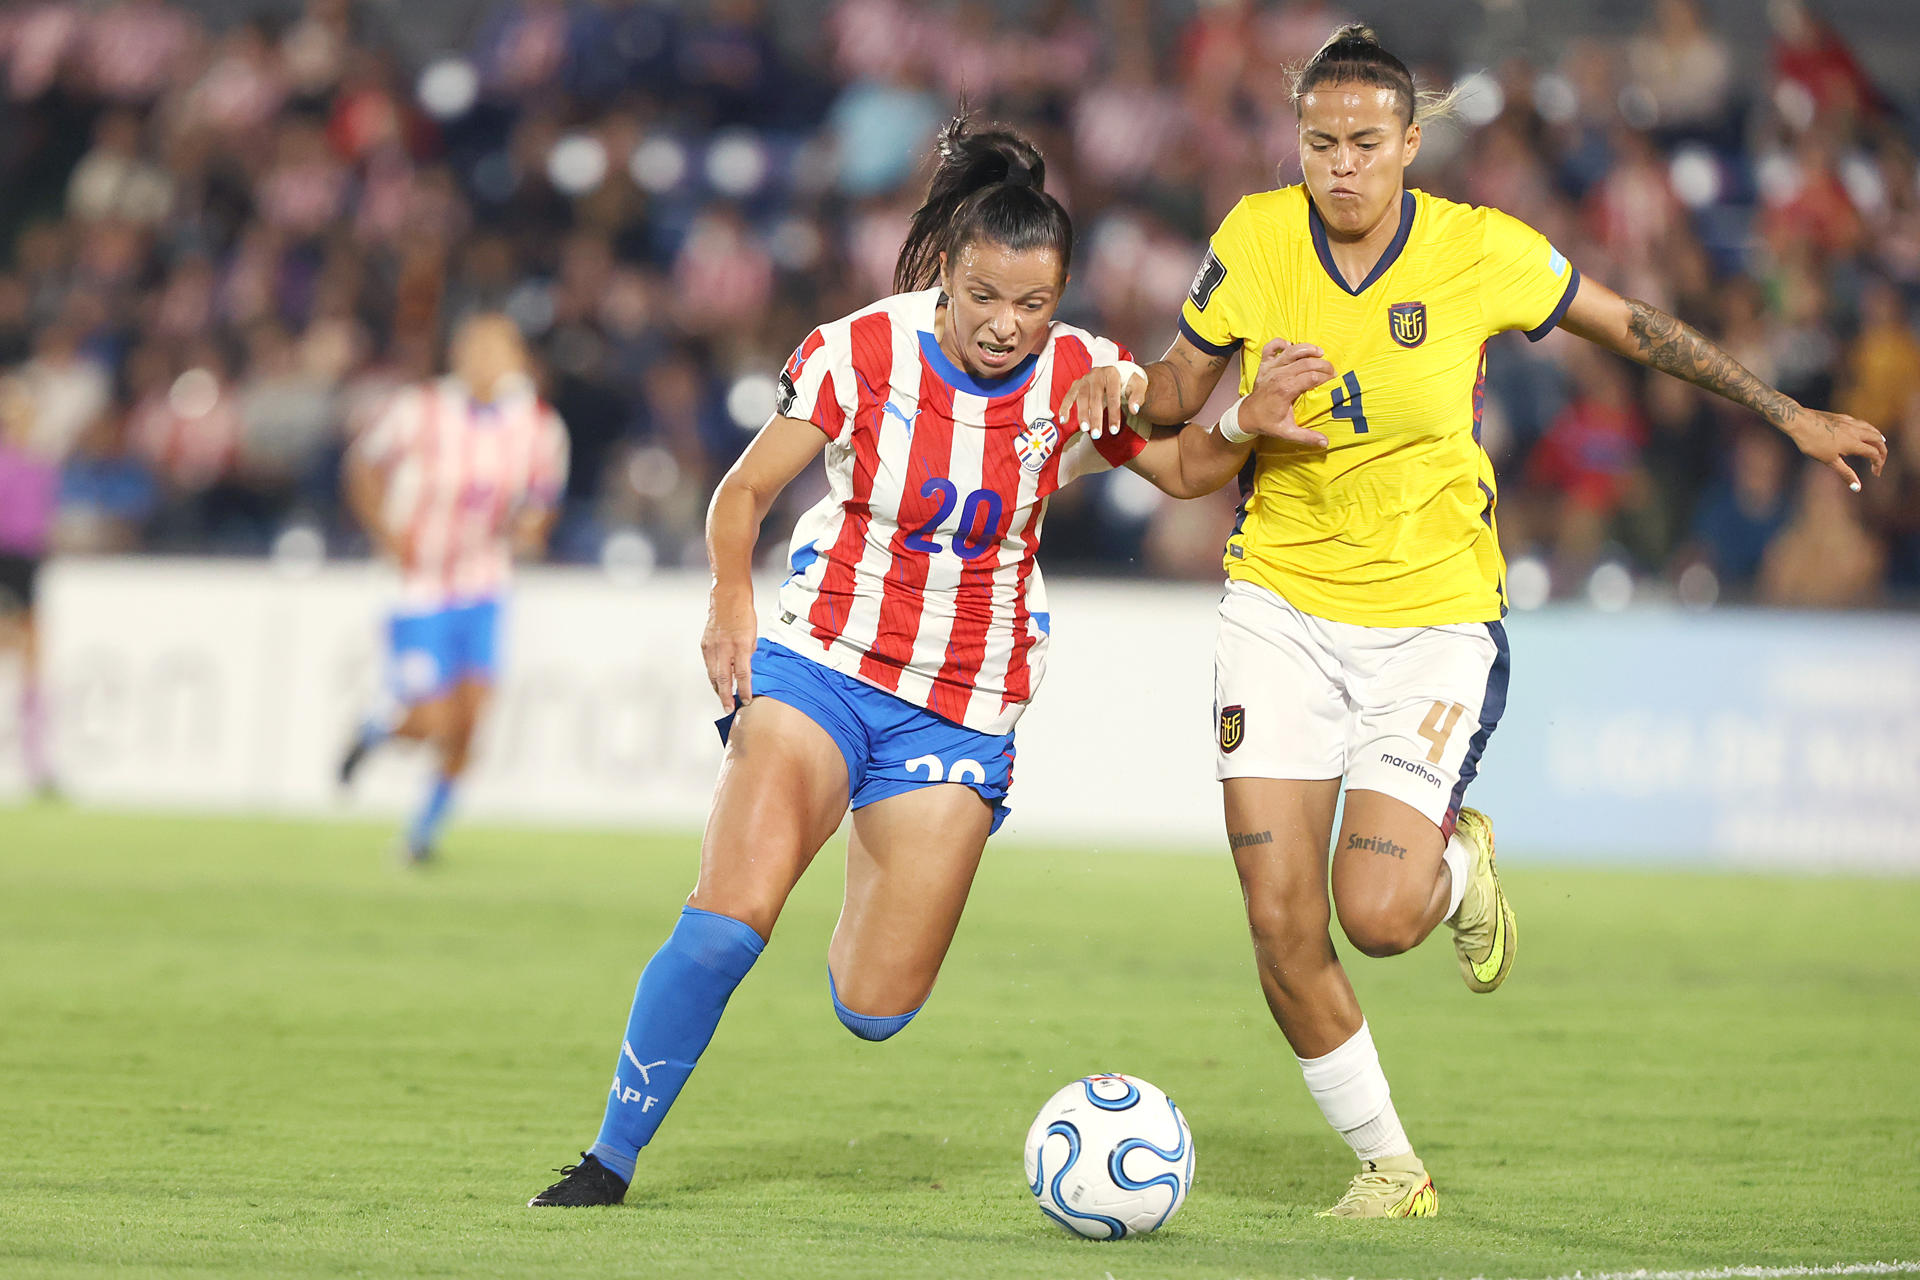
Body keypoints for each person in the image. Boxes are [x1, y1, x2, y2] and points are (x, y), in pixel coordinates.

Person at [1070, 25, 1888, 1219]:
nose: (1337, 165)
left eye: (1361, 143)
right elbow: (1177, 397)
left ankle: (1459, 864)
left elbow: (1632, 327)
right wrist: (1115, 381)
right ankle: (1392, 1166)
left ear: (1410, 142)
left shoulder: (1478, 251)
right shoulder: (1253, 237)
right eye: (1317, 142)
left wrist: (1784, 413)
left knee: (1381, 913)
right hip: (1278, 607)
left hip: (1435, 620)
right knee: (1280, 921)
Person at [527, 115, 1329, 1208]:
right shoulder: (861, 350)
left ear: (1061, 297)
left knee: (875, 1005)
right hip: (824, 661)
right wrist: (729, 597)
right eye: (987, 296)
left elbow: (1187, 468)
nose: (1008, 326)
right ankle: (607, 1161)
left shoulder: (1084, 372)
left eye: (1034, 304)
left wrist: (1243, 419)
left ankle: (875, 821)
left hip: (959, 708)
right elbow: (744, 494)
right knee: (727, 921)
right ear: (947, 270)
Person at [336, 312, 569, 863]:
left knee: (469, 722)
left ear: (517, 359)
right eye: (476, 348)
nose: (487, 361)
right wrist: (387, 533)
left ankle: (420, 837)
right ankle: (375, 729)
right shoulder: (419, 410)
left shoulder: (538, 425)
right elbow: (362, 468)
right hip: (418, 587)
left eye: (499, 350)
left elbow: (542, 498)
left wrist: (533, 526)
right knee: (430, 721)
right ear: (457, 357)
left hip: (484, 584)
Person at [0, 373, 62, 796]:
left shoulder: (40, 464)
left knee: (33, 666)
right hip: (4, 562)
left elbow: (43, 523)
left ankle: (36, 761)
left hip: (28, 565)